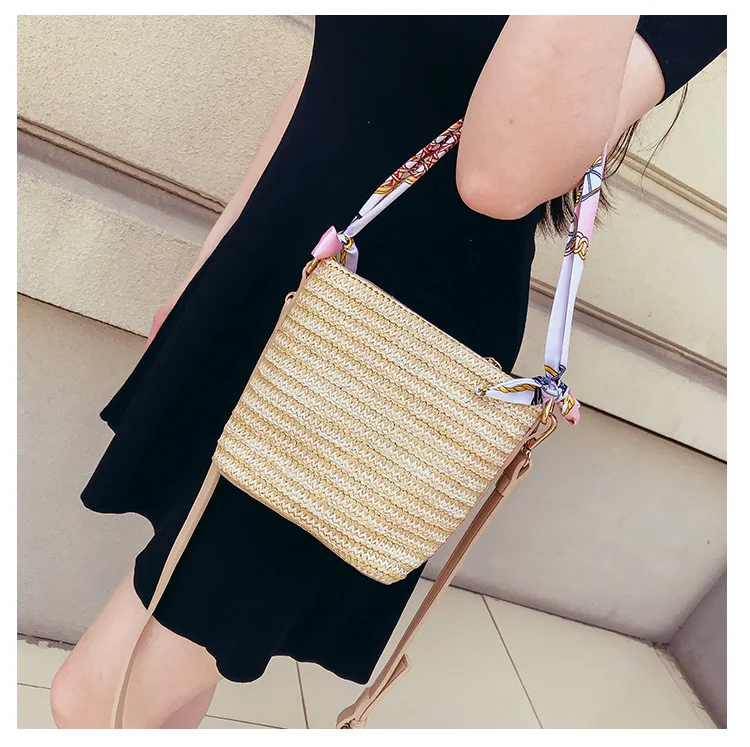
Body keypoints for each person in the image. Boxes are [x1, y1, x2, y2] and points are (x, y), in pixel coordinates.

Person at [50, 15, 726, 728]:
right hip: (276, 273)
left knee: (97, 698)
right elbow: (332, 70)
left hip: (377, 356)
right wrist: (211, 260)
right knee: (173, 648)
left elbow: (501, 175)